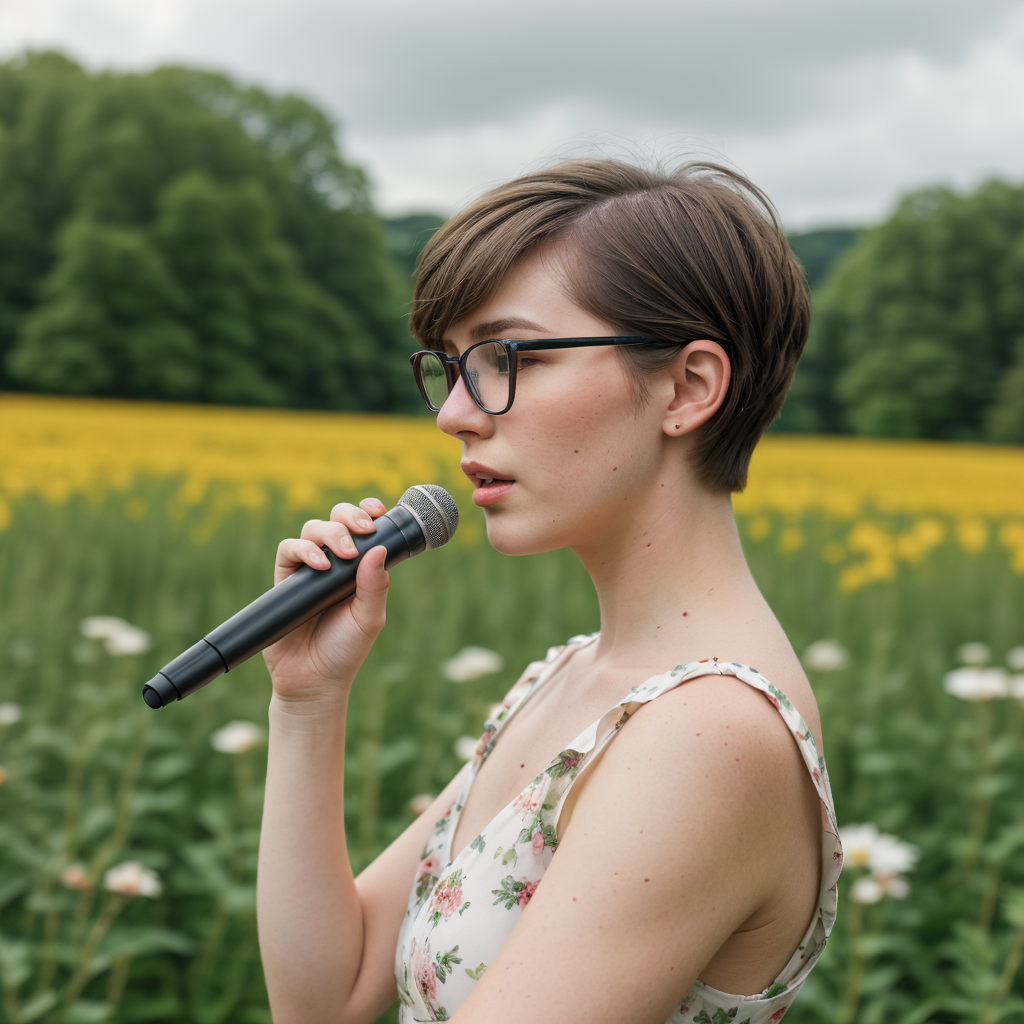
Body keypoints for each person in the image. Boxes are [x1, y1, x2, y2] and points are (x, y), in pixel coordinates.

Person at [256, 158, 844, 1024]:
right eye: (449, 366)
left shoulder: (707, 734)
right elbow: (328, 1000)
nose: (453, 412)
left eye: (504, 356)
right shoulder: (571, 680)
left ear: (686, 388)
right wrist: (307, 702)